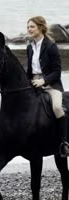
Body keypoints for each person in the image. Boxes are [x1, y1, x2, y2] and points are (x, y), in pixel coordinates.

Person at [26, 16, 69, 157]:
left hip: (51, 85)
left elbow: (57, 72)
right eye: (28, 27)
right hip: (33, 84)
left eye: (32, 26)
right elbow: (29, 71)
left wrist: (43, 81)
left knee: (57, 107)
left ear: (40, 27)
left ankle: (63, 143)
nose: (29, 29)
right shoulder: (29, 47)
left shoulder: (51, 46)